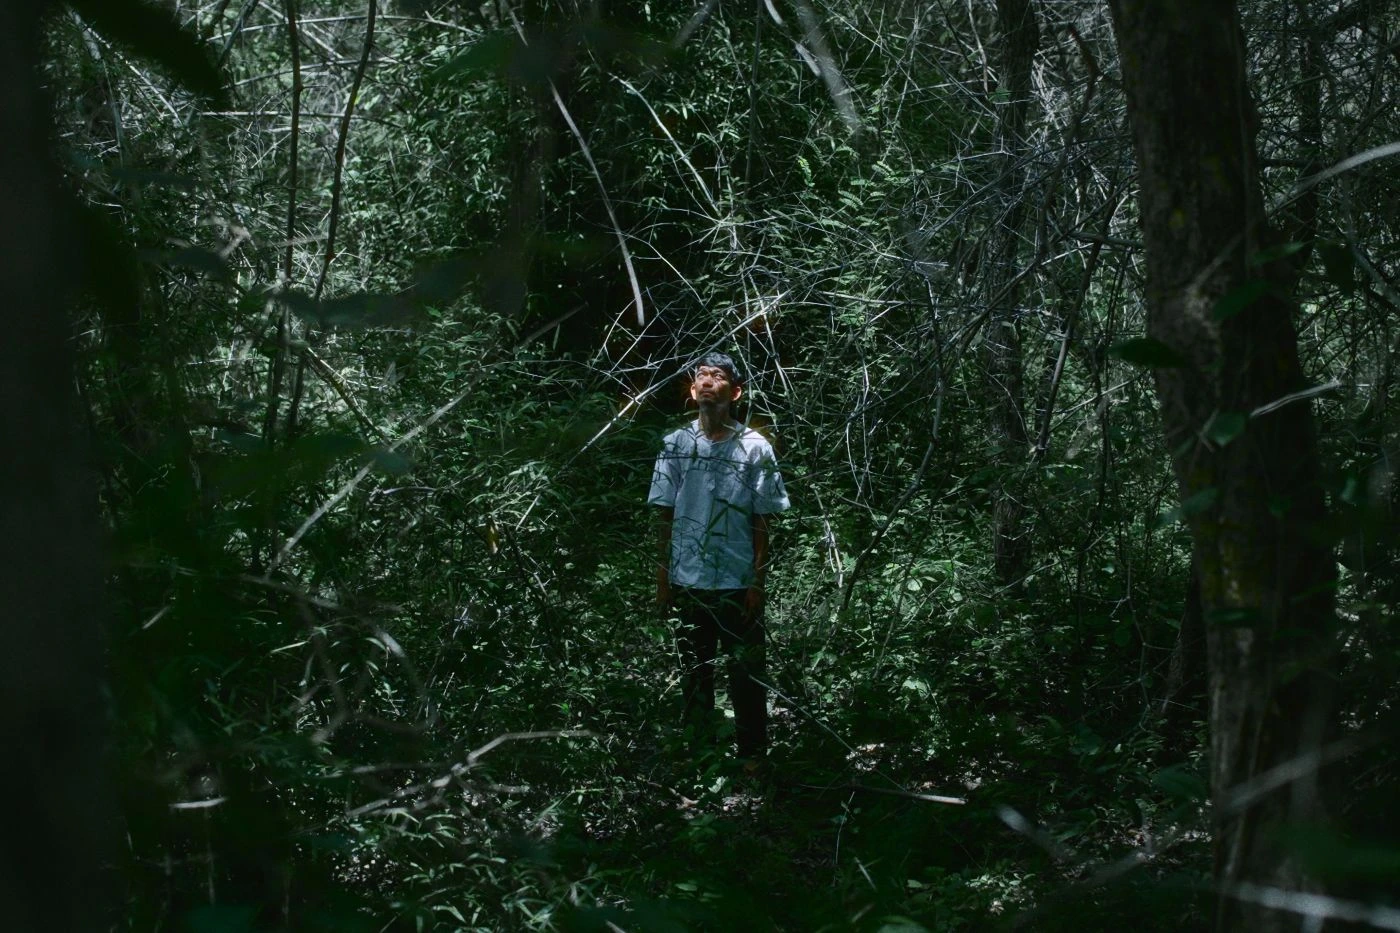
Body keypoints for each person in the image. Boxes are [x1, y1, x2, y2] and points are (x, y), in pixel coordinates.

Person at [647, 352, 790, 764]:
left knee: (746, 674)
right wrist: (663, 578)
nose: (708, 381)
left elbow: (763, 520)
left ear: (736, 391)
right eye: (701, 376)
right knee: (695, 674)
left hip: (736, 580)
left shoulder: (754, 447)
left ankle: (752, 759)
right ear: (692, 391)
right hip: (687, 580)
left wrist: (758, 582)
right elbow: (664, 515)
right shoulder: (674, 445)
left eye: (718, 376)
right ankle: (700, 757)